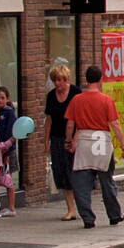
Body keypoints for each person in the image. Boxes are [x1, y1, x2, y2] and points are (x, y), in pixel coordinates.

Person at [65, 64, 124, 229]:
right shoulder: (106, 100)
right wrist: (123, 145)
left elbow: (70, 124)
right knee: (107, 182)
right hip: (102, 141)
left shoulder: (76, 100)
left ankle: (87, 218)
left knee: (81, 184)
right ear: (101, 79)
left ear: (86, 80)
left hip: (85, 142)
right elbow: (114, 124)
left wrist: (69, 141)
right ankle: (114, 215)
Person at [43, 64, 83, 222]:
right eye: (55, 80)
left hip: (74, 138)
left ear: (66, 79)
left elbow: (80, 119)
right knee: (61, 172)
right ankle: (70, 209)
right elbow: (49, 120)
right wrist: (46, 142)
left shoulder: (75, 93)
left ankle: (82, 205)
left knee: (75, 172)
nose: (57, 84)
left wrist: (74, 139)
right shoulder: (51, 96)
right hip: (58, 138)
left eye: (60, 80)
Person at [0, 87, 18, 217]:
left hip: (7, 150)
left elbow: (10, 132)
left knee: (7, 179)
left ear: (7, 99)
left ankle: (11, 206)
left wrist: (5, 150)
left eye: (2, 98)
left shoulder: (9, 113)